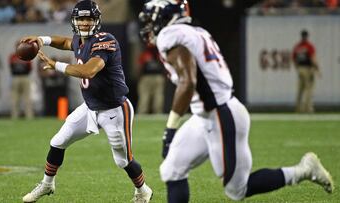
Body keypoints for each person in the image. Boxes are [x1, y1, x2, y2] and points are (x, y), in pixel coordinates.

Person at [138, 1, 334, 202]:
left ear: (167, 19)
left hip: (222, 114)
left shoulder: (171, 35)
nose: (149, 28)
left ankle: (303, 170)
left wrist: (170, 128)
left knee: (236, 189)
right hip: (206, 114)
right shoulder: (196, 32)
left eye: (153, 22)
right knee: (172, 169)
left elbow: (188, 82)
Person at [21, 1, 152, 202]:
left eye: (88, 19)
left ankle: (143, 191)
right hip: (90, 107)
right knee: (57, 142)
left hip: (115, 110)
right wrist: (41, 39)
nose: (84, 23)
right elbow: (66, 43)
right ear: (75, 20)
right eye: (81, 19)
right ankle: (47, 184)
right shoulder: (80, 41)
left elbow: (89, 70)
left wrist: (55, 64)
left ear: (96, 20)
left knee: (123, 160)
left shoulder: (105, 40)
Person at [292, 29, 320, 113]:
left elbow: (294, 59)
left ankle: (298, 108)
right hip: (308, 69)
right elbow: (312, 58)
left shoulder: (297, 47)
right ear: (307, 36)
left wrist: (297, 68)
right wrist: (317, 69)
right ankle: (307, 109)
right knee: (309, 89)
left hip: (300, 69)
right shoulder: (308, 46)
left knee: (300, 90)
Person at [9, 41, 34, 119]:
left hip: (25, 77)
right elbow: (11, 67)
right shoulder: (12, 56)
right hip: (16, 77)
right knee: (15, 98)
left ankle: (29, 115)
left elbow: (30, 67)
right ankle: (15, 115)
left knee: (27, 97)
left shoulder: (27, 55)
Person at [137, 44, 165, 114]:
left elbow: (139, 67)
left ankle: (142, 113)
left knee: (144, 95)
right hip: (158, 77)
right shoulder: (160, 55)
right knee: (158, 95)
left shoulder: (145, 54)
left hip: (146, 77)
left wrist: (139, 77)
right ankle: (158, 113)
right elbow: (164, 66)